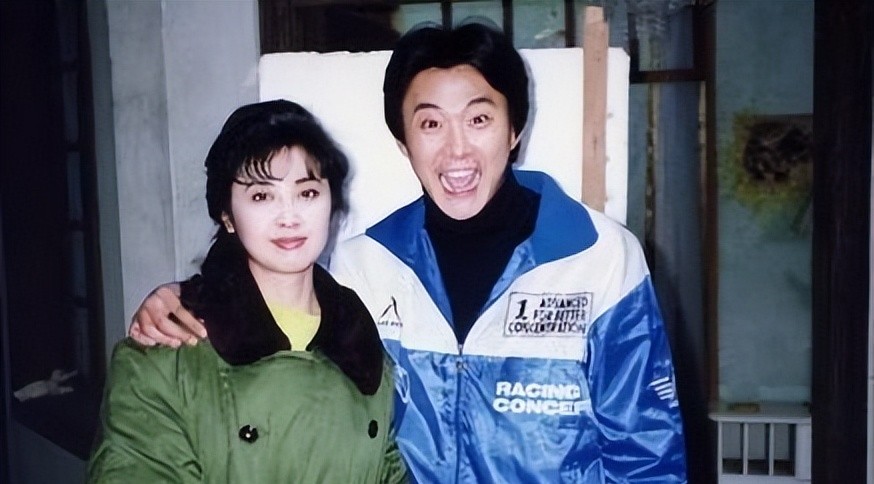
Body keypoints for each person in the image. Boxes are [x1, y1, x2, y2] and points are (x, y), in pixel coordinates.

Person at [130, 22, 687, 482]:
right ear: (403, 140)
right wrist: (188, 298)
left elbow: (648, 457)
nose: (457, 149)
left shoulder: (600, 259)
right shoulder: (364, 266)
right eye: (430, 124)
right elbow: (278, 320)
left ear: (514, 128)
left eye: (479, 118)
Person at [89, 100, 407, 483]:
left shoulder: (362, 349)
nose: (289, 216)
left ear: (331, 202)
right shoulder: (165, 355)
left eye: (307, 193)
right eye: (262, 196)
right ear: (227, 216)